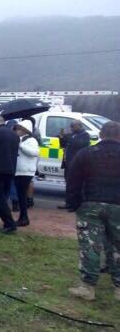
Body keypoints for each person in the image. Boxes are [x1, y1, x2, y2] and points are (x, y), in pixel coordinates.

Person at [66, 121, 120, 302]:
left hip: (90, 204)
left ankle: (88, 287)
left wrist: (73, 204)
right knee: (118, 246)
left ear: (101, 134)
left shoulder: (87, 154)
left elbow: (73, 181)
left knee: (90, 245)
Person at [59, 120, 91, 209]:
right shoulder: (72, 135)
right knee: (68, 183)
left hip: (76, 163)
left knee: (76, 184)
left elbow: (80, 144)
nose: (71, 128)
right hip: (68, 162)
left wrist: (69, 137)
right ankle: (68, 202)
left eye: (73, 126)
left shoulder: (85, 135)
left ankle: (75, 204)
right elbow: (63, 145)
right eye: (71, 126)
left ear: (79, 126)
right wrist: (61, 137)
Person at [13, 120, 39, 227]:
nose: (16, 131)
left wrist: (21, 146)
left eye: (18, 129)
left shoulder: (31, 140)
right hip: (19, 171)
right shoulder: (21, 140)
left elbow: (35, 153)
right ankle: (23, 217)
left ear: (25, 130)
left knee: (22, 196)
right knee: (20, 196)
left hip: (26, 172)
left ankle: (24, 218)